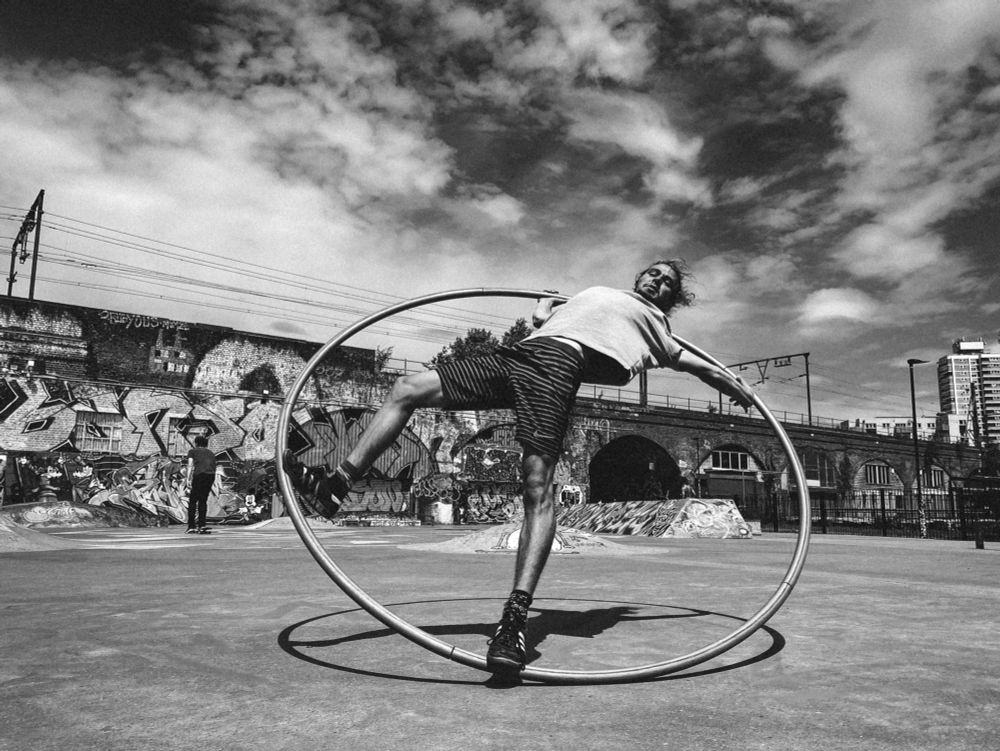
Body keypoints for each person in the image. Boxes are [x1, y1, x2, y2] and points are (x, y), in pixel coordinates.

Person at [284, 259, 754, 674]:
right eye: (652, 272)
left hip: (557, 368)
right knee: (408, 387)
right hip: (520, 354)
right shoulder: (599, 295)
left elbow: (700, 366)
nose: (656, 281)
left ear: (673, 298)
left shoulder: (655, 327)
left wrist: (737, 388)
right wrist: (542, 316)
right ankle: (336, 484)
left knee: (536, 485)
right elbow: (560, 323)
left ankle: (514, 620)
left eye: (667, 281)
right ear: (639, 275)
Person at [185, 435, 217, 534]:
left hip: (199, 475)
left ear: (196, 443)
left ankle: (191, 526)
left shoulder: (192, 451)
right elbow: (213, 466)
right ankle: (202, 525)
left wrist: (188, 479)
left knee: (193, 500)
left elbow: (190, 465)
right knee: (203, 501)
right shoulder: (211, 453)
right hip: (210, 476)